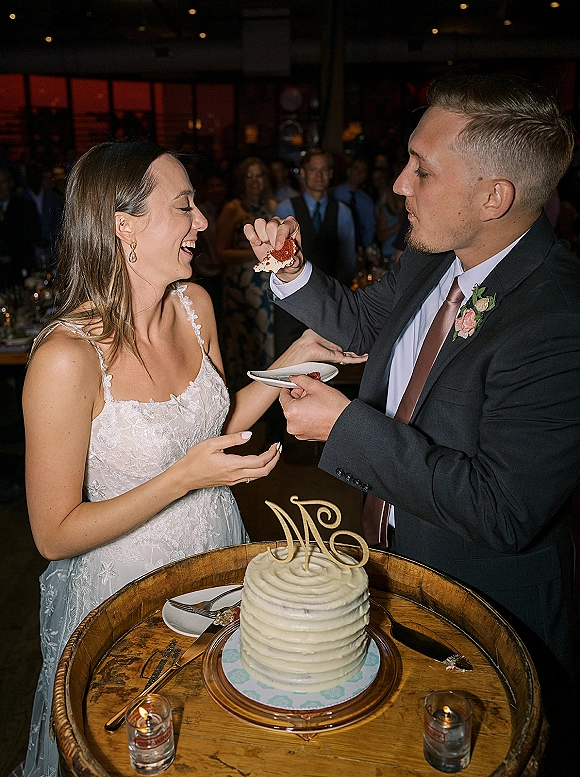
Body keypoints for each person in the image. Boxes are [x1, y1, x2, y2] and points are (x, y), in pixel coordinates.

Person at [245, 74, 580, 773]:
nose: (399, 183)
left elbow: (505, 508)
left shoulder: (559, 318)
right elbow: (368, 326)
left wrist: (344, 427)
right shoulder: (432, 255)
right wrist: (292, 271)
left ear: (495, 197)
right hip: (386, 566)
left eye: (422, 170)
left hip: (478, 615)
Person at [17, 141, 362, 777]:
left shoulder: (194, 308)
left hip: (214, 555)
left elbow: (213, 429)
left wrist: (293, 361)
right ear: (125, 229)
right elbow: (54, 534)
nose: (202, 223)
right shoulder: (65, 360)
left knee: (215, 743)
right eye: (184, 208)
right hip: (123, 588)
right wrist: (184, 480)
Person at [273, 148, 355, 355]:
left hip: (328, 303)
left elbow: (347, 262)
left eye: (324, 170)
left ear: (330, 174)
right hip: (292, 305)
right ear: (302, 173)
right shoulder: (285, 209)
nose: (319, 176)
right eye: (313, 169)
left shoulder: (343, 212)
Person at [216, 157, 277, 391]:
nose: (255, 181)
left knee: (267, 342)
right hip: (240, 288)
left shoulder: (273, 206)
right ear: (242, 181)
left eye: (259, 175)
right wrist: (253, 255)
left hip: (266, 286)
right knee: (242, 342)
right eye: (249, 176)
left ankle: (268, 395)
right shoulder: (233, 208)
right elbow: (220, 252)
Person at [0, 165, 42, 290]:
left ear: (10, 183)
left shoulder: (25, 207)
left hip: (21, 272)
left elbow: (31, 235)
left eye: (2, 182)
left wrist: (4, 221)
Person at [333, 156, 376, 251]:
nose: (359, 173)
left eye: (363, 170)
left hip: (358, 247)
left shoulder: (367, 201)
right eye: (356, 168)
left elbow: (369, 228)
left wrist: (366, 249)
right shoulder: (334, 194)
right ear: (349, 170)